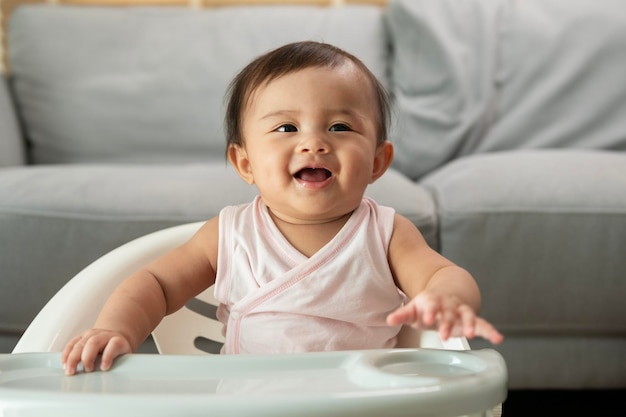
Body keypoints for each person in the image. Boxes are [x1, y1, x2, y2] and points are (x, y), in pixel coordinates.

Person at [62, 40, 503, 376]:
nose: (314, 142)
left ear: (376, 162)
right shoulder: (230, 234)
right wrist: (116, 329)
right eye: (287, 127)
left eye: (340, 126)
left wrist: (447, 298)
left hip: (362, 404)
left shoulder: (385, 234)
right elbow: (155, 284)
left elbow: (441, 274)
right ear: (245, 162)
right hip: (250, 401)